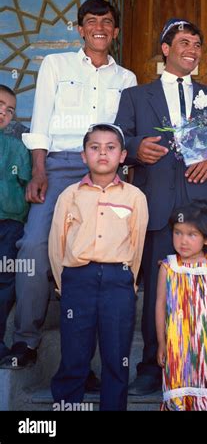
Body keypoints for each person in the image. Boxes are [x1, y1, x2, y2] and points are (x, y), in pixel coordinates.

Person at [0, 0, 136, 382]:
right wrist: (38, 170)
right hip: (58, 166)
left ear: (116, 31)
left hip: (104, 172)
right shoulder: (55, 65)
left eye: (107, 22)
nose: (99, 28)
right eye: (91, 22)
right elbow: (41, 118)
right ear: (79, 29)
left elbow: (123, 133)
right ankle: (26, 339)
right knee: (33, 246)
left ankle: (82, 365)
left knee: (93, 256)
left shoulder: (125, 78)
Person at [115, 18, 207, 395]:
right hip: (156, 201)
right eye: (183, 42)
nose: (191, 50)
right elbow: (118, 139)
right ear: (166, 49)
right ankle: (151, 365)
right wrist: (136, 149)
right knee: (158, 285)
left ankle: (196, 361)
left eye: (197, 44)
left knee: (201, 285)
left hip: (201, 200)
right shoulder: (135, 96)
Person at [49, 124, 148, 411]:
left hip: (118, 281)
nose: (102, 153)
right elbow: (58, 243)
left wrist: (128, 282)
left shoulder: (134, 197)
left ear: (123, 155)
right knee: (74, 356)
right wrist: (63, 283)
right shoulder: (70, 195)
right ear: (83, 156)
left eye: (110, 147)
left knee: (116, 358)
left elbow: (137, 244)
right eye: (94, 147)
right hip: (77, 279)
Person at [156, 199, 207, 410]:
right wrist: (162, 343)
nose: (183, 241)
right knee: (179, 384)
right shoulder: (168, 266)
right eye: (178, 232)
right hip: (177, 344)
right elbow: (160, 305)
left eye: (192, 235)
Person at [0, 85, 31, 361]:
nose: (4, 112)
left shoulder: (15, 146)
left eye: (9, 110)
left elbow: (25, 181)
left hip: (10, 222)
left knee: (4, 281)